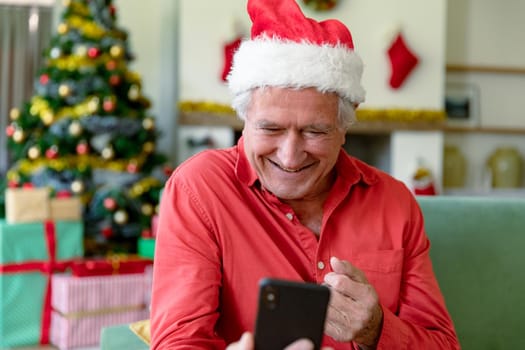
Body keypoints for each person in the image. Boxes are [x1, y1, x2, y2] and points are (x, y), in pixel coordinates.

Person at [150, 0, 460, 349]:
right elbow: (179, 342)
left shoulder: (395, 201)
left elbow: (443, 344)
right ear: (245, 119)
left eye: (315, 132)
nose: (290, 156)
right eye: (270, 128)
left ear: (345, 128)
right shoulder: (199, 189)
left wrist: (375, 328)